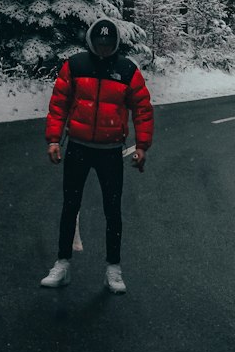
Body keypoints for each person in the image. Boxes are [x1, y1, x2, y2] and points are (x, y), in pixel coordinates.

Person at [40, 18, 154, 294]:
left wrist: (141, 146)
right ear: (91, 42)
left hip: (110, 152)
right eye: (99, 44)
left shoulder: (127, 70)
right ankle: (62, 264)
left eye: (108, 44)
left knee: (112, 211)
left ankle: (113, 270)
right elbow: (59, 105)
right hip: (78, 147)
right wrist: (54, 139)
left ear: (115, 45)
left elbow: (142, 109)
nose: (103, 49)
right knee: (70, 206)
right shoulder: (75, 66)